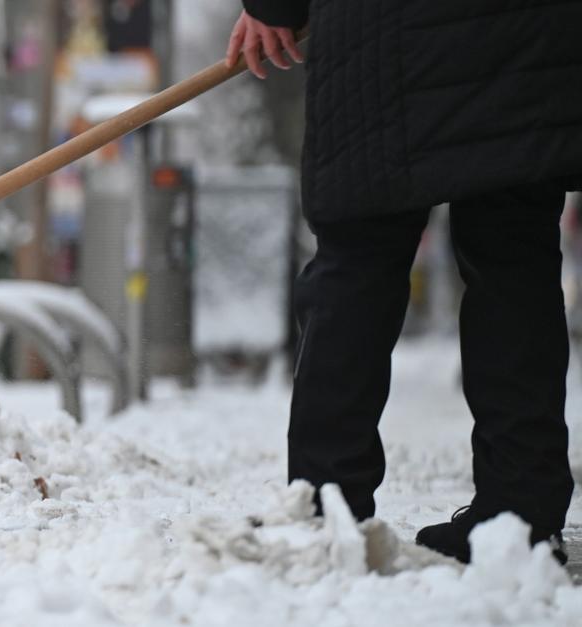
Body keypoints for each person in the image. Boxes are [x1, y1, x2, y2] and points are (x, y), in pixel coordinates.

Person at [227, 0, 582, 564]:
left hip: (383, 32)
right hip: (528, 34)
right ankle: (521, 518)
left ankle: (326, 509)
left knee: (358, 256)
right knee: (514, 262)